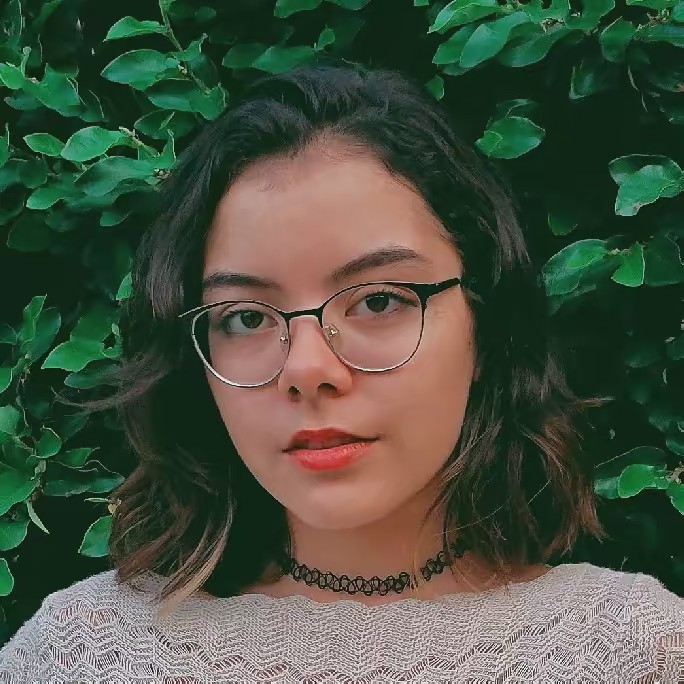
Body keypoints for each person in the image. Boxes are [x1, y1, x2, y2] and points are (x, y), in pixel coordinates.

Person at [1, 58, 682, 682]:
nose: (306, 368)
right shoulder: (81, 656)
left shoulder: (634, 651)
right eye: (245, 317)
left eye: (379, 301)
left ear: (486, 327)